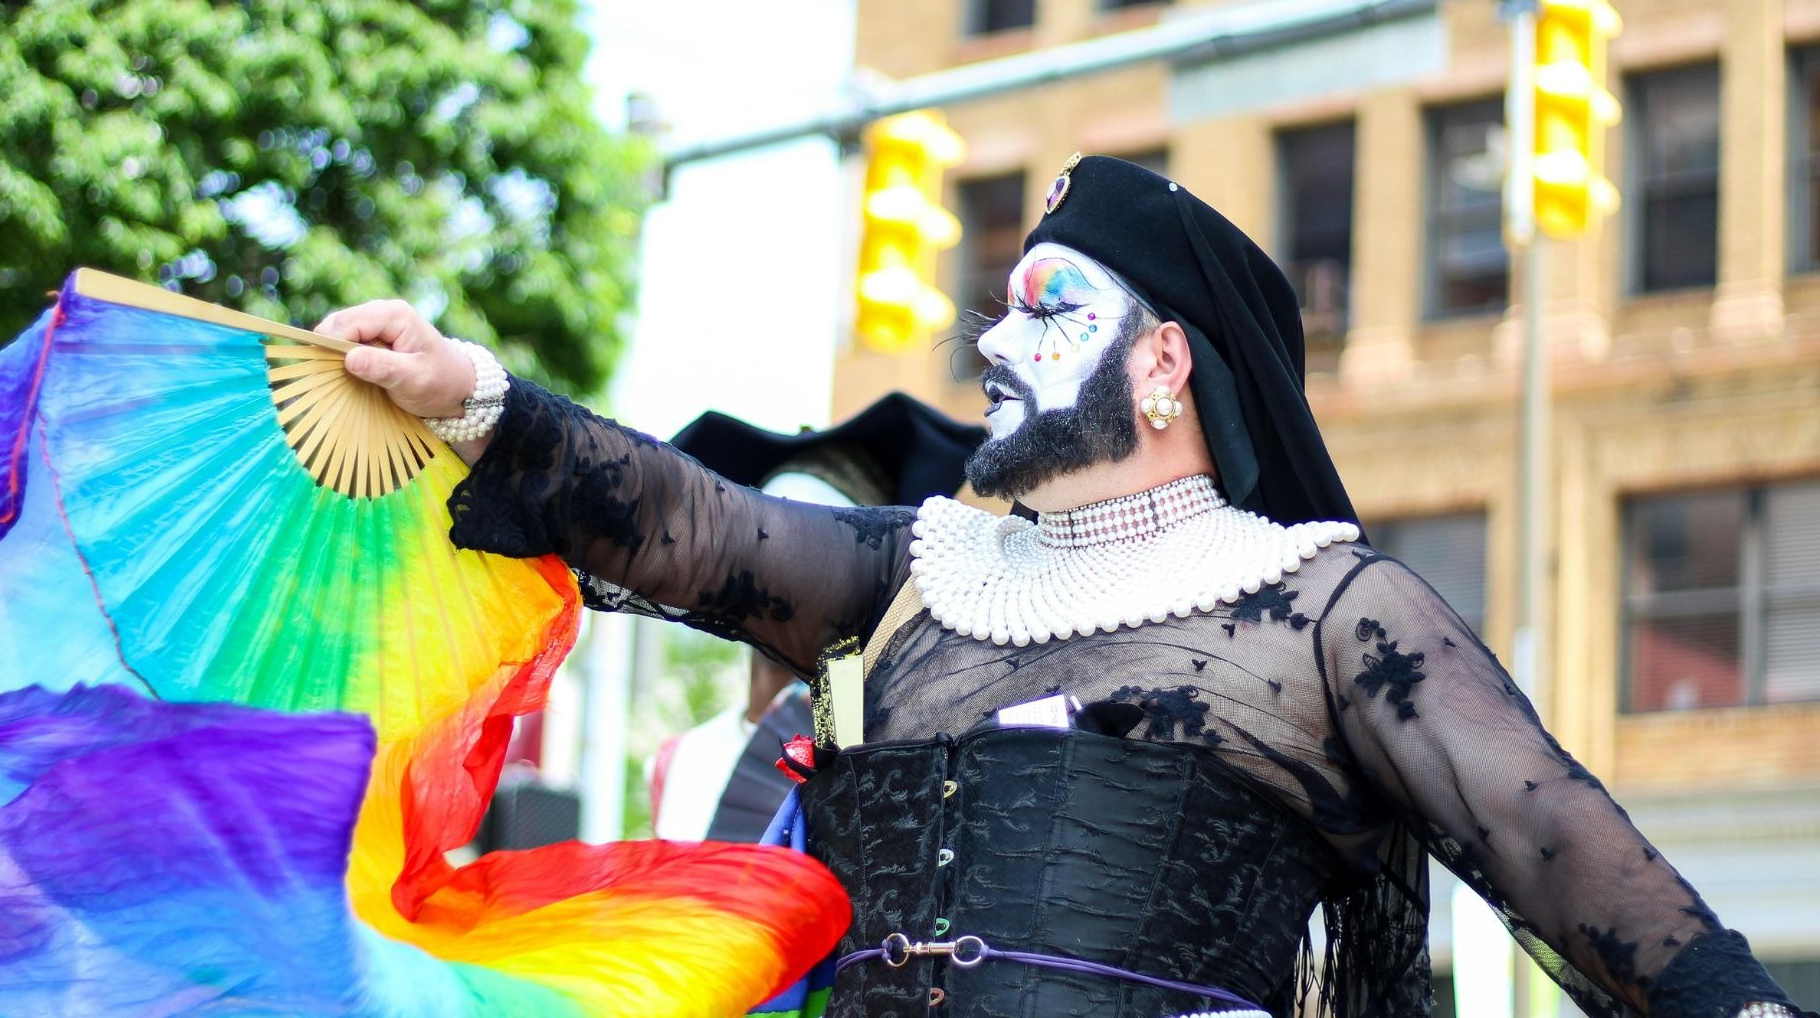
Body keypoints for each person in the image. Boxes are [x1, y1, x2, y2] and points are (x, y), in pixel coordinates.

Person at [319, 154, 1810, 1017]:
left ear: (1166, 366)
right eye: (1000, 314)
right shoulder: (918, 570)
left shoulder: (1326, 610)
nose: (996, 348)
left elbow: (1559, 849)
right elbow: (699, 531)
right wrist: (473, 398)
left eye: (1050, 312)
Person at [647, 395, 984, 842]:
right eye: (759, 536)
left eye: (807, 549)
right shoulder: (680, 760)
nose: (774, 565)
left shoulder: (894, 760)